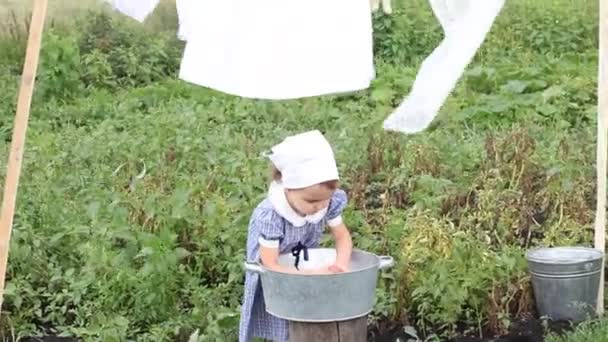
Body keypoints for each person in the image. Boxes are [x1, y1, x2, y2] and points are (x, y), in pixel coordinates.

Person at [238, 130, 354, 342]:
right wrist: (310, 275)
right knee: (282, 314)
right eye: (311, 202)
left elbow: (342, 237)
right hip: (272, 268)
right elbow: (270, 263)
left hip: (300, 258)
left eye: (324, 201)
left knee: (307, 313)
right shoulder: (272, 215)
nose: (319, 207)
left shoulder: (326, 201)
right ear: (288, 189)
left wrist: (341, 265)